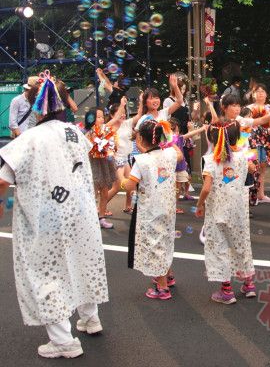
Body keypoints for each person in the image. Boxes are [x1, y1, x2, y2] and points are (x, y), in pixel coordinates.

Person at [0, 72, 108, 359]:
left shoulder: (30, 138)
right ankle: (90, 318)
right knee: (82, 260)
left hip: (47, 218)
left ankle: (64, 341)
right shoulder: (74, 134)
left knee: (47, 272)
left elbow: (3, 177)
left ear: (36, 106)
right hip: (81, 213)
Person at [121, 120, 182, 300]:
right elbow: (179, 153)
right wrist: (167, 141)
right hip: (168, 207)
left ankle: (162, 287)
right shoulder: (170, 153)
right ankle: (168, 275)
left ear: (140, 139)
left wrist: (121, 179)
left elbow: (130, 186)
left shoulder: (141, 161)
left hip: (150, 210)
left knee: (154, 243)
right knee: (165, 239)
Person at [196, 121, 255, 304]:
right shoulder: (243, 157)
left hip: (218, 211)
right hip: (239, 210)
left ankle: (227, 291)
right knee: (241, 244)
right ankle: (249, 284)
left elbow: (206, 189)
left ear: (212, 138)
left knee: (220, 246)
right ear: (236, 137)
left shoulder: (211, 161)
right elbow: (251, 171)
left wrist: (199, 205)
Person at [85, 97, 127, 229]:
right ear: (91, 119)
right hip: (93, 165)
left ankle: (101, 217)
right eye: (98, 117)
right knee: (93, 191)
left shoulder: (105, 129)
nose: (101, 119)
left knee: (104, 191)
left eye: (102, 117)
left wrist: (122, 105)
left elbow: (115, 118)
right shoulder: (88, 133)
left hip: (105, 163)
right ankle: (89, 218)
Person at [247, 84, 270, 203]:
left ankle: (261, 194)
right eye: (257, 91)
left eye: (262, 91)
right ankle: (251, 195)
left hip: (265, 140)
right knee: (252, 168)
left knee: (263, 168)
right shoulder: (249, 108)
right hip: (253, 141)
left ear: (266, 94)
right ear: (253, 95)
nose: (260, 93)